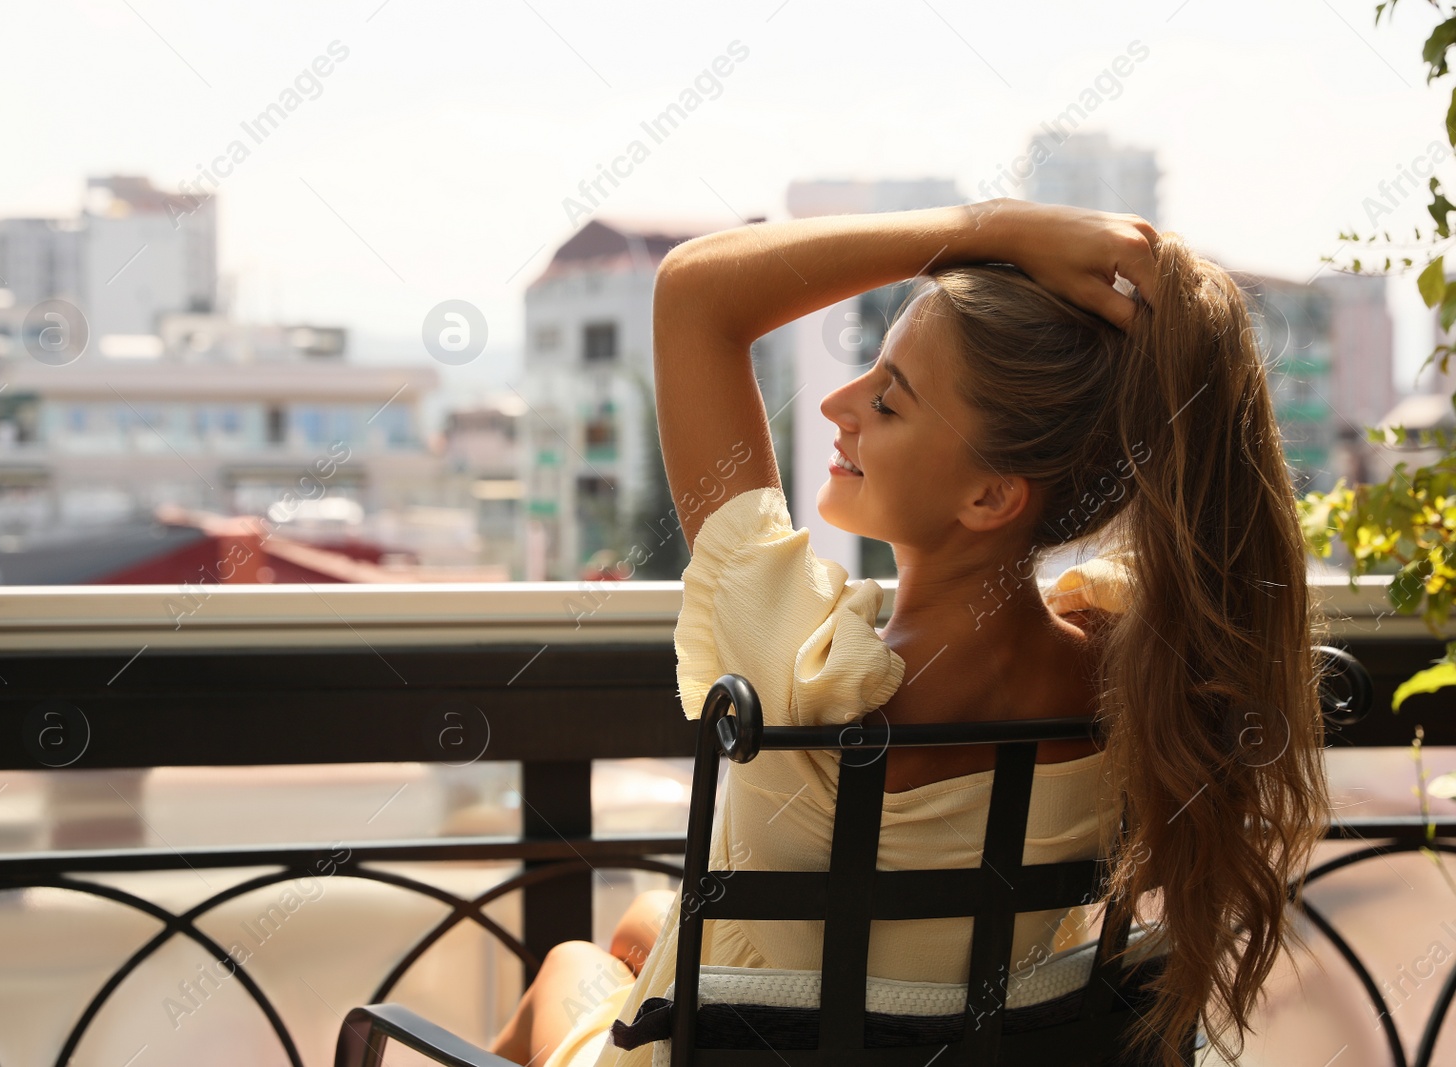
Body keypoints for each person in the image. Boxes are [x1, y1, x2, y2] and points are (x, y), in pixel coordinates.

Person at [488, 199, 1332, 1067]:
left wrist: (991, 227)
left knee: (568, 965)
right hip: (935, 1041)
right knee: (641, 927)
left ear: (992, 496)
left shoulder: (808, 673)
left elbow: (695, 294)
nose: (836, 403)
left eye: (887, 403)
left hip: (731, 1049)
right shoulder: (1138, 681)